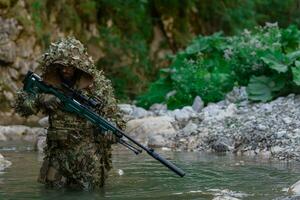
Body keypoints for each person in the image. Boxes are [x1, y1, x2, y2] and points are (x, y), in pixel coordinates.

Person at [14, 37, 125, 190]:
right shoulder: (48, 81)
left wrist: (113, 130)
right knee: (51, 194)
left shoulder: (97, 85)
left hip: (87, 156)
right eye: (61, 66)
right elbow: (22, 108)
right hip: (57, 155)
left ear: (78, 66)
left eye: (70, 66)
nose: (65, 70)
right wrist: (41, 99)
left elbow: (115, 117)